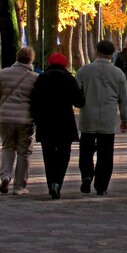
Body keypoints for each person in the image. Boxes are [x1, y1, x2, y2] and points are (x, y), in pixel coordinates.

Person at [76, 39, 127, 196]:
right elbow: (124, 98)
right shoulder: (118, 73)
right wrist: (125, 118)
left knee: (86, 151)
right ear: (112, 54)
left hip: (88, 117)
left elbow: (76, 93)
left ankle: (87, 175)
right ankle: (101, 185)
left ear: (97, 51)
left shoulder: (84, 71)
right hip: (107, 119)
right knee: (105, 154)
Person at [30, 52, 85, 199]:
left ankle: (51, 183)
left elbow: (34, 100)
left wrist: (35, 118)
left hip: (45, 121)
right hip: (64, 121)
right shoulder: (68, 78)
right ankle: (57, 182)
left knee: (48, 155)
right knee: (64, 153)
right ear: (64, 64)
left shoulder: (42, 78)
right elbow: (79, 101)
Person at [0, 46, 38, 195]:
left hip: (4, 118)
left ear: (17, 58)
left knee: (7, 147)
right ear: (31, 59)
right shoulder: (34, 77)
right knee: (24, 152)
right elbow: (37, 100)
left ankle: (5, 175)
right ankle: (19, 186)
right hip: (25, 119)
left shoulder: (4, 73)